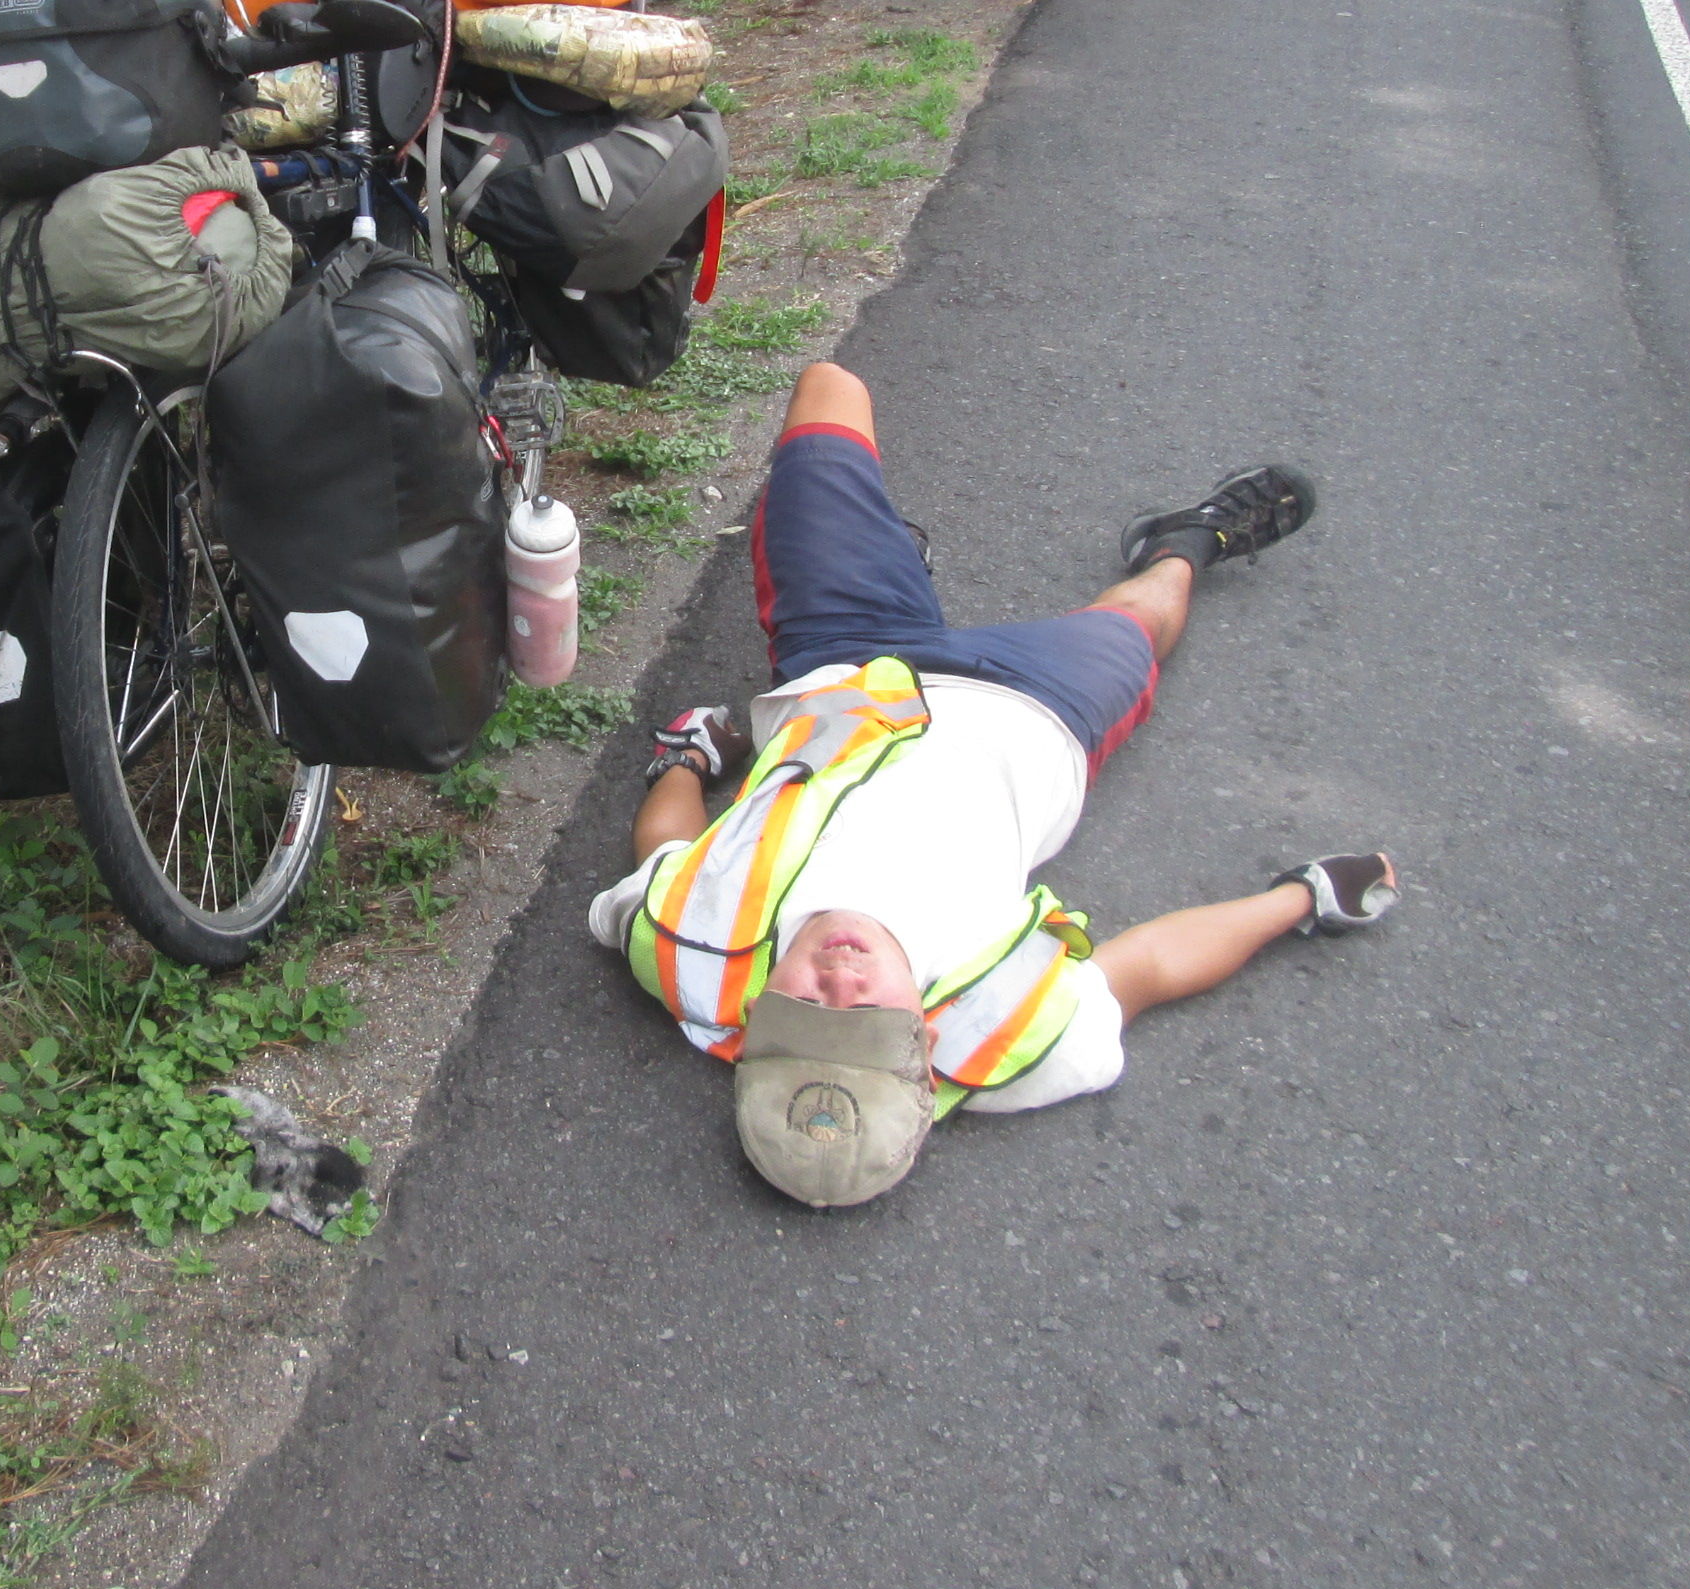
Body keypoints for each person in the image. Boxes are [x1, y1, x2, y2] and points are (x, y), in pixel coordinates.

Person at [588, 362, 1398, 1208]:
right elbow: (1149, 968)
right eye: (868, 1024)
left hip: (849, 663)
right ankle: (1186, 541)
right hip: (1041, 705)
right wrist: (1302, 900)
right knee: (1147, 617)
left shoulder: (692, 954)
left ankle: (889, 552)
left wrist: (686, 758)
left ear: (754, 1029)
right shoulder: (1000, 1029)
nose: (841, 984)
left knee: (830, 390)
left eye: (808, 1011)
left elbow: (668, 854)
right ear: (921, 1041)